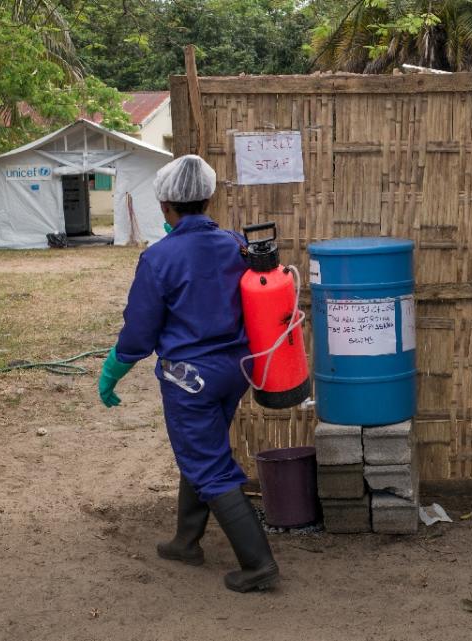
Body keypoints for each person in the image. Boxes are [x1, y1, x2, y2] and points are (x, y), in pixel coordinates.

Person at [96, 154, 278, 593]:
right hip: (236, 370)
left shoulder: (160, 258)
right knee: (202, 448)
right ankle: (185, 541)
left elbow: (140, 330)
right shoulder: (235, 243)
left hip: (189, 378)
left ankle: (258, 565)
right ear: (209, 197)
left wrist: (113, 370)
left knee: (209, 464)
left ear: (165, 206)